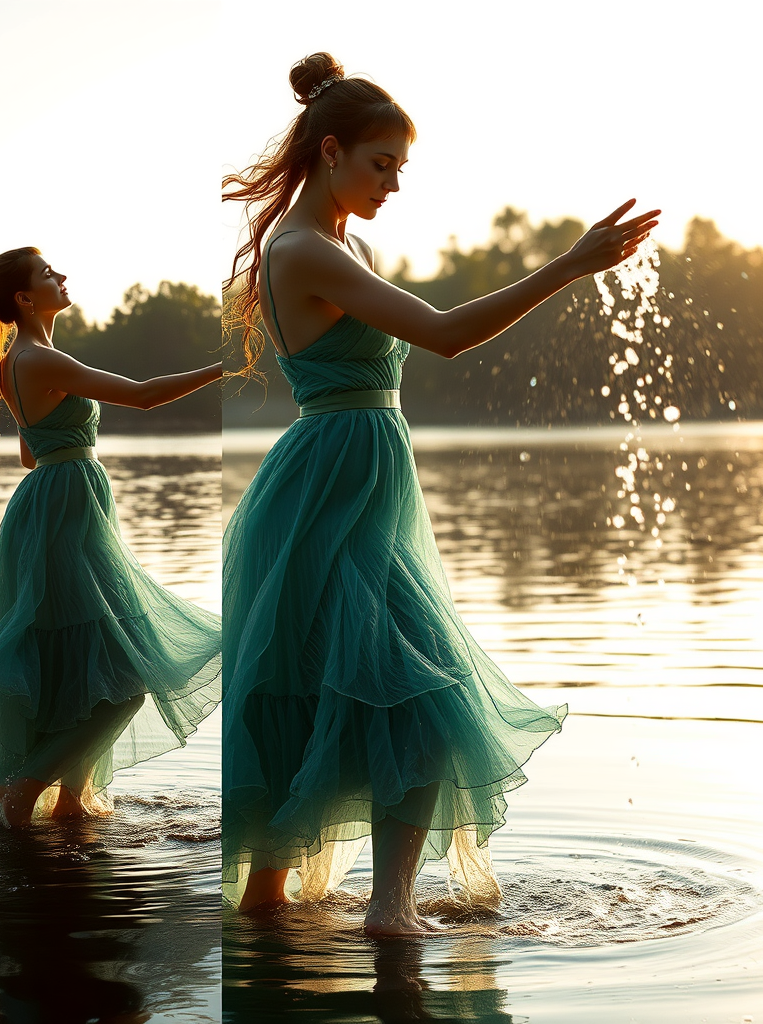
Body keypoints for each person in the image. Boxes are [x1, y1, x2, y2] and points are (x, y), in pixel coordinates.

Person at [221, 53, 659, 935]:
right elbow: (449, 336)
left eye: (401, 169)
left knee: (386, 690)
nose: (393, 183)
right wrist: (568, 265)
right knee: (363, 694)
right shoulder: (302, 249)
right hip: (324, 492)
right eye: (381, 164)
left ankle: (362, 911)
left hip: (367, 482)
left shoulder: (348, 246)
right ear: (333, 151)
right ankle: (338, 912)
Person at [0, 247, 222, 828]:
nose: (61, 276)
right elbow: (141, 394)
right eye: (47, 274)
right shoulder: (37, 358)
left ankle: (68, 806)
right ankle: (24, 789)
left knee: (79, 664)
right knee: (124, 678)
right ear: (23, 298)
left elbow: (28, 453)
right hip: (65, 516)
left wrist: (70, 457)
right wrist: (226, 367)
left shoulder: (20, 361)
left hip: (56, 509)